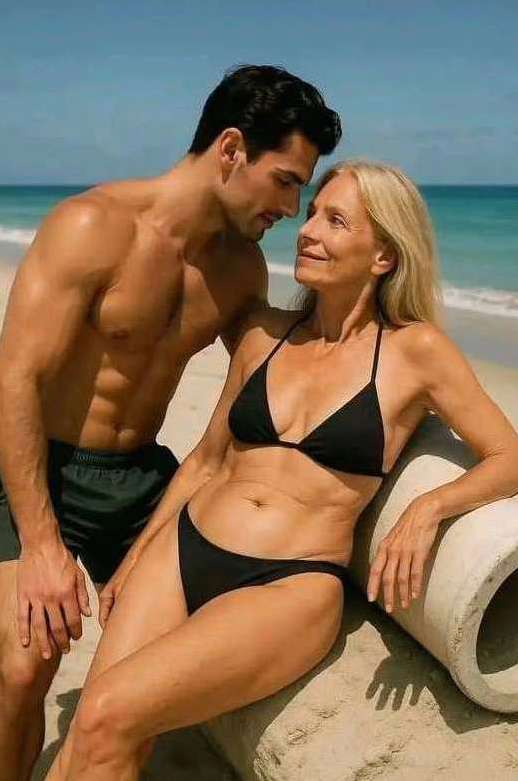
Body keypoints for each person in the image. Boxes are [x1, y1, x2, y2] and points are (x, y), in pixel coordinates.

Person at [46, 159, 518, 779]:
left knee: (107, 713)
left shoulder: (416, 352)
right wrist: (137, 556)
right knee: (95, 729)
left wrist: (431, 507)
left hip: (290, 583)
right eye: (313, 213)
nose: (308, 230)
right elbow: (206, 460)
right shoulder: (263, 335)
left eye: (336, 221)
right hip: (183, 550)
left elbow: (509, 455)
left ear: (383, 255)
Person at [0, 64, 341, 781]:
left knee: (146, 672)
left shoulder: (240, 270)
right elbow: (15, 379)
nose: (292, 207)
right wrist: (41, 544)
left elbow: (273, 367)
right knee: (24, 663)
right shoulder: (92, 227)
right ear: (231, 149)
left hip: (138, 477)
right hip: (37, 466)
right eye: (285, 181)